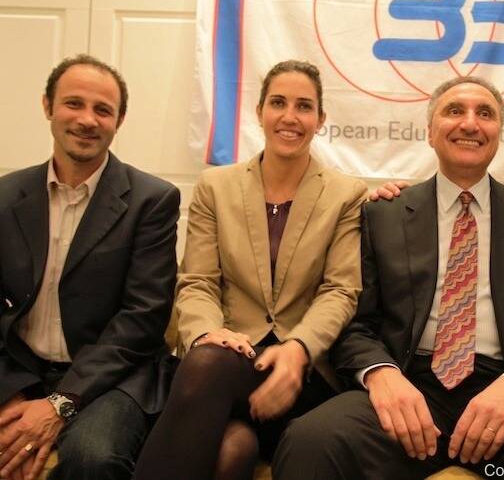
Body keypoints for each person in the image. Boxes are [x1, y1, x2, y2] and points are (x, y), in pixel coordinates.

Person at [273, 76, 504, 480]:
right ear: (430, 132)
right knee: (309, 441)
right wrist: (381, 374)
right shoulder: (383, 214)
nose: (470, 123)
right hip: (408, 383)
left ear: (499, 133)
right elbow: (355, 322)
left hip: (503, 387)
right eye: (454, 111)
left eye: (485, 114)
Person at [133, 60, 367, 480]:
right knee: (232, 448)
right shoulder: (215, 187)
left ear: (320, 120)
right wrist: (206, 334)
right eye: (278, 103)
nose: (290, 116)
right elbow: (198, 282)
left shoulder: (346, 195)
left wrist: (298, 349)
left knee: (210, 374)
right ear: (259, 112)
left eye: (304, 106)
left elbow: (340, 290)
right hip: (229, 363)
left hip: (303, 377)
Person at [0, 54, 179, 480]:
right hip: (20, 369)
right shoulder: (5, 196)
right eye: (73, 103)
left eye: (103, 110)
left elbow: (142, 319)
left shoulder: (151, 201)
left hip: (113, 378)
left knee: (93, 458)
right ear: (47, 106)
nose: (87, 120)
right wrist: (8, 394)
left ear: (119, 121)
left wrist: (59, 403)